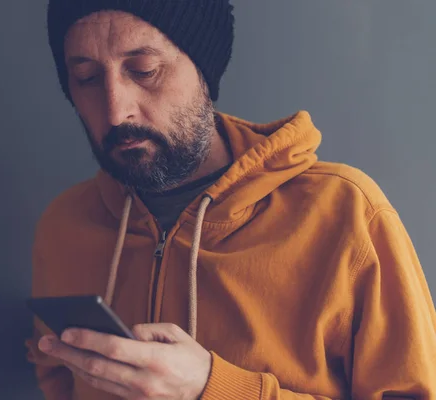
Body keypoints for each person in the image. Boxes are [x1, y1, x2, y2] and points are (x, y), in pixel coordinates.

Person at [25, 0, 436, 399]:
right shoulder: (65, 225)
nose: (116, 111)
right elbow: (58, 375)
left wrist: (212, 388)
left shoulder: (345, 214)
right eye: (86, 78)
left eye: (144, 70)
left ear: (204, 71)